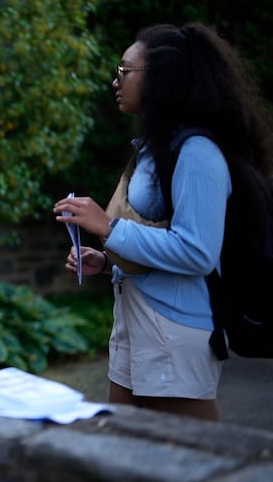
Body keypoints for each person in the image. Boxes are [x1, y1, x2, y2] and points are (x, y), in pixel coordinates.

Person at [53, 23, 273, 421]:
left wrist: (109, 228)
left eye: (125, 71)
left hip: (173, 327)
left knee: (190, 458)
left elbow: (197, 252)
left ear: (161, 79)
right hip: (134, 319)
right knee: (124, 449)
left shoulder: (196, 152)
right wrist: (108, 261)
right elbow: (157, 236)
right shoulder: (153, 148)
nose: (115, 80)